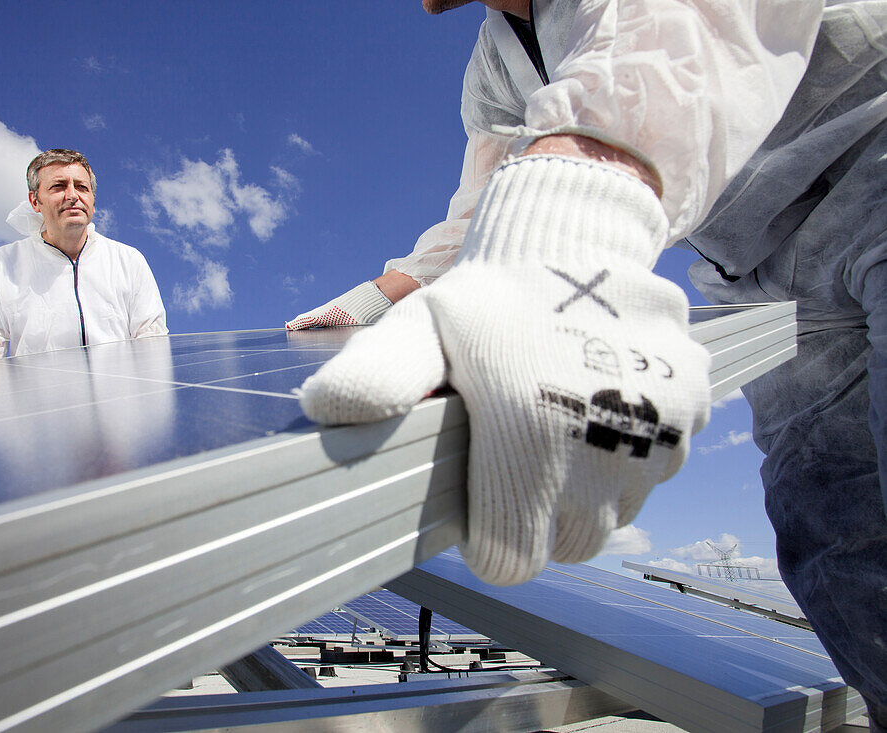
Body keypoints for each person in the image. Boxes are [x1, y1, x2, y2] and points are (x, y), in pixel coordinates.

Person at [289, 1, 887, 728]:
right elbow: (477, 206)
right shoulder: (492, 72)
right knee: (831, 534)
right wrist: (374, 298)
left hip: (874, 158)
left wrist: (580, 208)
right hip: (761, 271)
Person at [0, 149, 168, 366]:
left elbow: (152, 343)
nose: (72, 195)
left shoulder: (127, 260)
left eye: (82, 187)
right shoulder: (2, 265)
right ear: (34, 201)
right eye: (58, 186)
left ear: (92, 200)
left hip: (122, 402)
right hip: (38, 405)